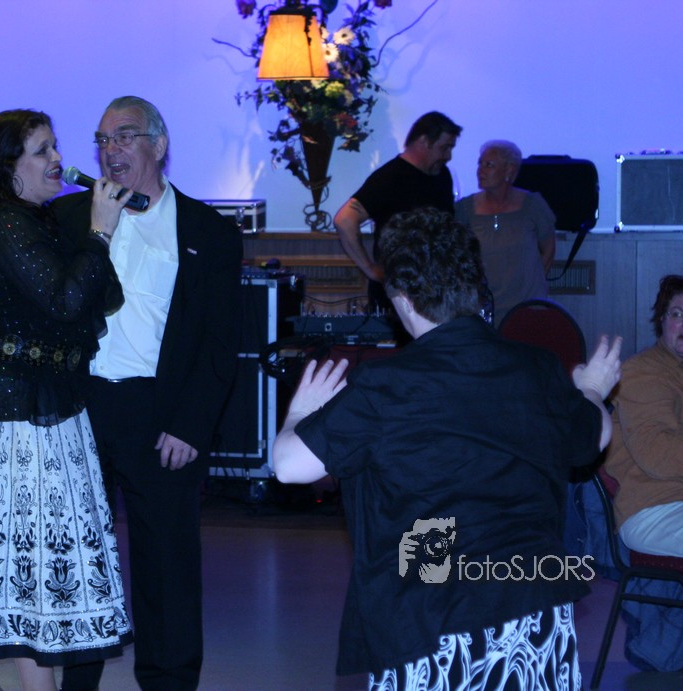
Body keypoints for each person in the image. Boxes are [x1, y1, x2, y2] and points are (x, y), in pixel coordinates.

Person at [0, 95, 243, 690]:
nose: (110, 151)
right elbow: (2, 280)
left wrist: (191, 423)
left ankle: (169, 683)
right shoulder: (62, 214)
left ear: (159, 145)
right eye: (102, 140)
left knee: (168, 560)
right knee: (77, 559)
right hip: (71, 407)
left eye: (125, 137)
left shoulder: (208, 230)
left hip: (160, 412)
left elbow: (220, 340)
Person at [272, 207, 621, 688]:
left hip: (430, 615)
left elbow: (289, 467)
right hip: (533, 610)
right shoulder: (536, 367)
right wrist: (593, 390)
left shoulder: (387, 384)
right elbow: (594, 438)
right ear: (476, 286)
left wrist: (299, 413)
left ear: (401, 298)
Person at [0, 108, 132, 691]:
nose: (58, 160)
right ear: (8, 167)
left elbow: (100, 296)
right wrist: (99, 233)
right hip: (14, 413)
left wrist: (92, 233)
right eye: (42, 150)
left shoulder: (40, 220)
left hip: (36, 405)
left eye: (55, 147)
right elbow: (67, 302)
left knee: (14, 551)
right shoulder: (6, 223)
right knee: (26, 552)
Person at [605, 269, 683, 584]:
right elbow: (657, 452)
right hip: (655, 507)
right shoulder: (643, 372)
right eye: (677, 314)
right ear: (662, 321)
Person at [333, 111, 461, 312]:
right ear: (423, 141)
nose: (448, 156)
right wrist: (370, 270)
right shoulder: (390, 178)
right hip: (398, 297)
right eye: (444, 148)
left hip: (436, 291)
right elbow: (344, 220)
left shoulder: (442, 175)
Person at [455, 140, 556, 323]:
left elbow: (548, 249)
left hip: (526, 309)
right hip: (481, 309)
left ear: (509, 170)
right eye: (480, 164)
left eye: (489, 165)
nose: (480, 170)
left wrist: (533, 287)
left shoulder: (533, 205)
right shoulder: (465, 208)